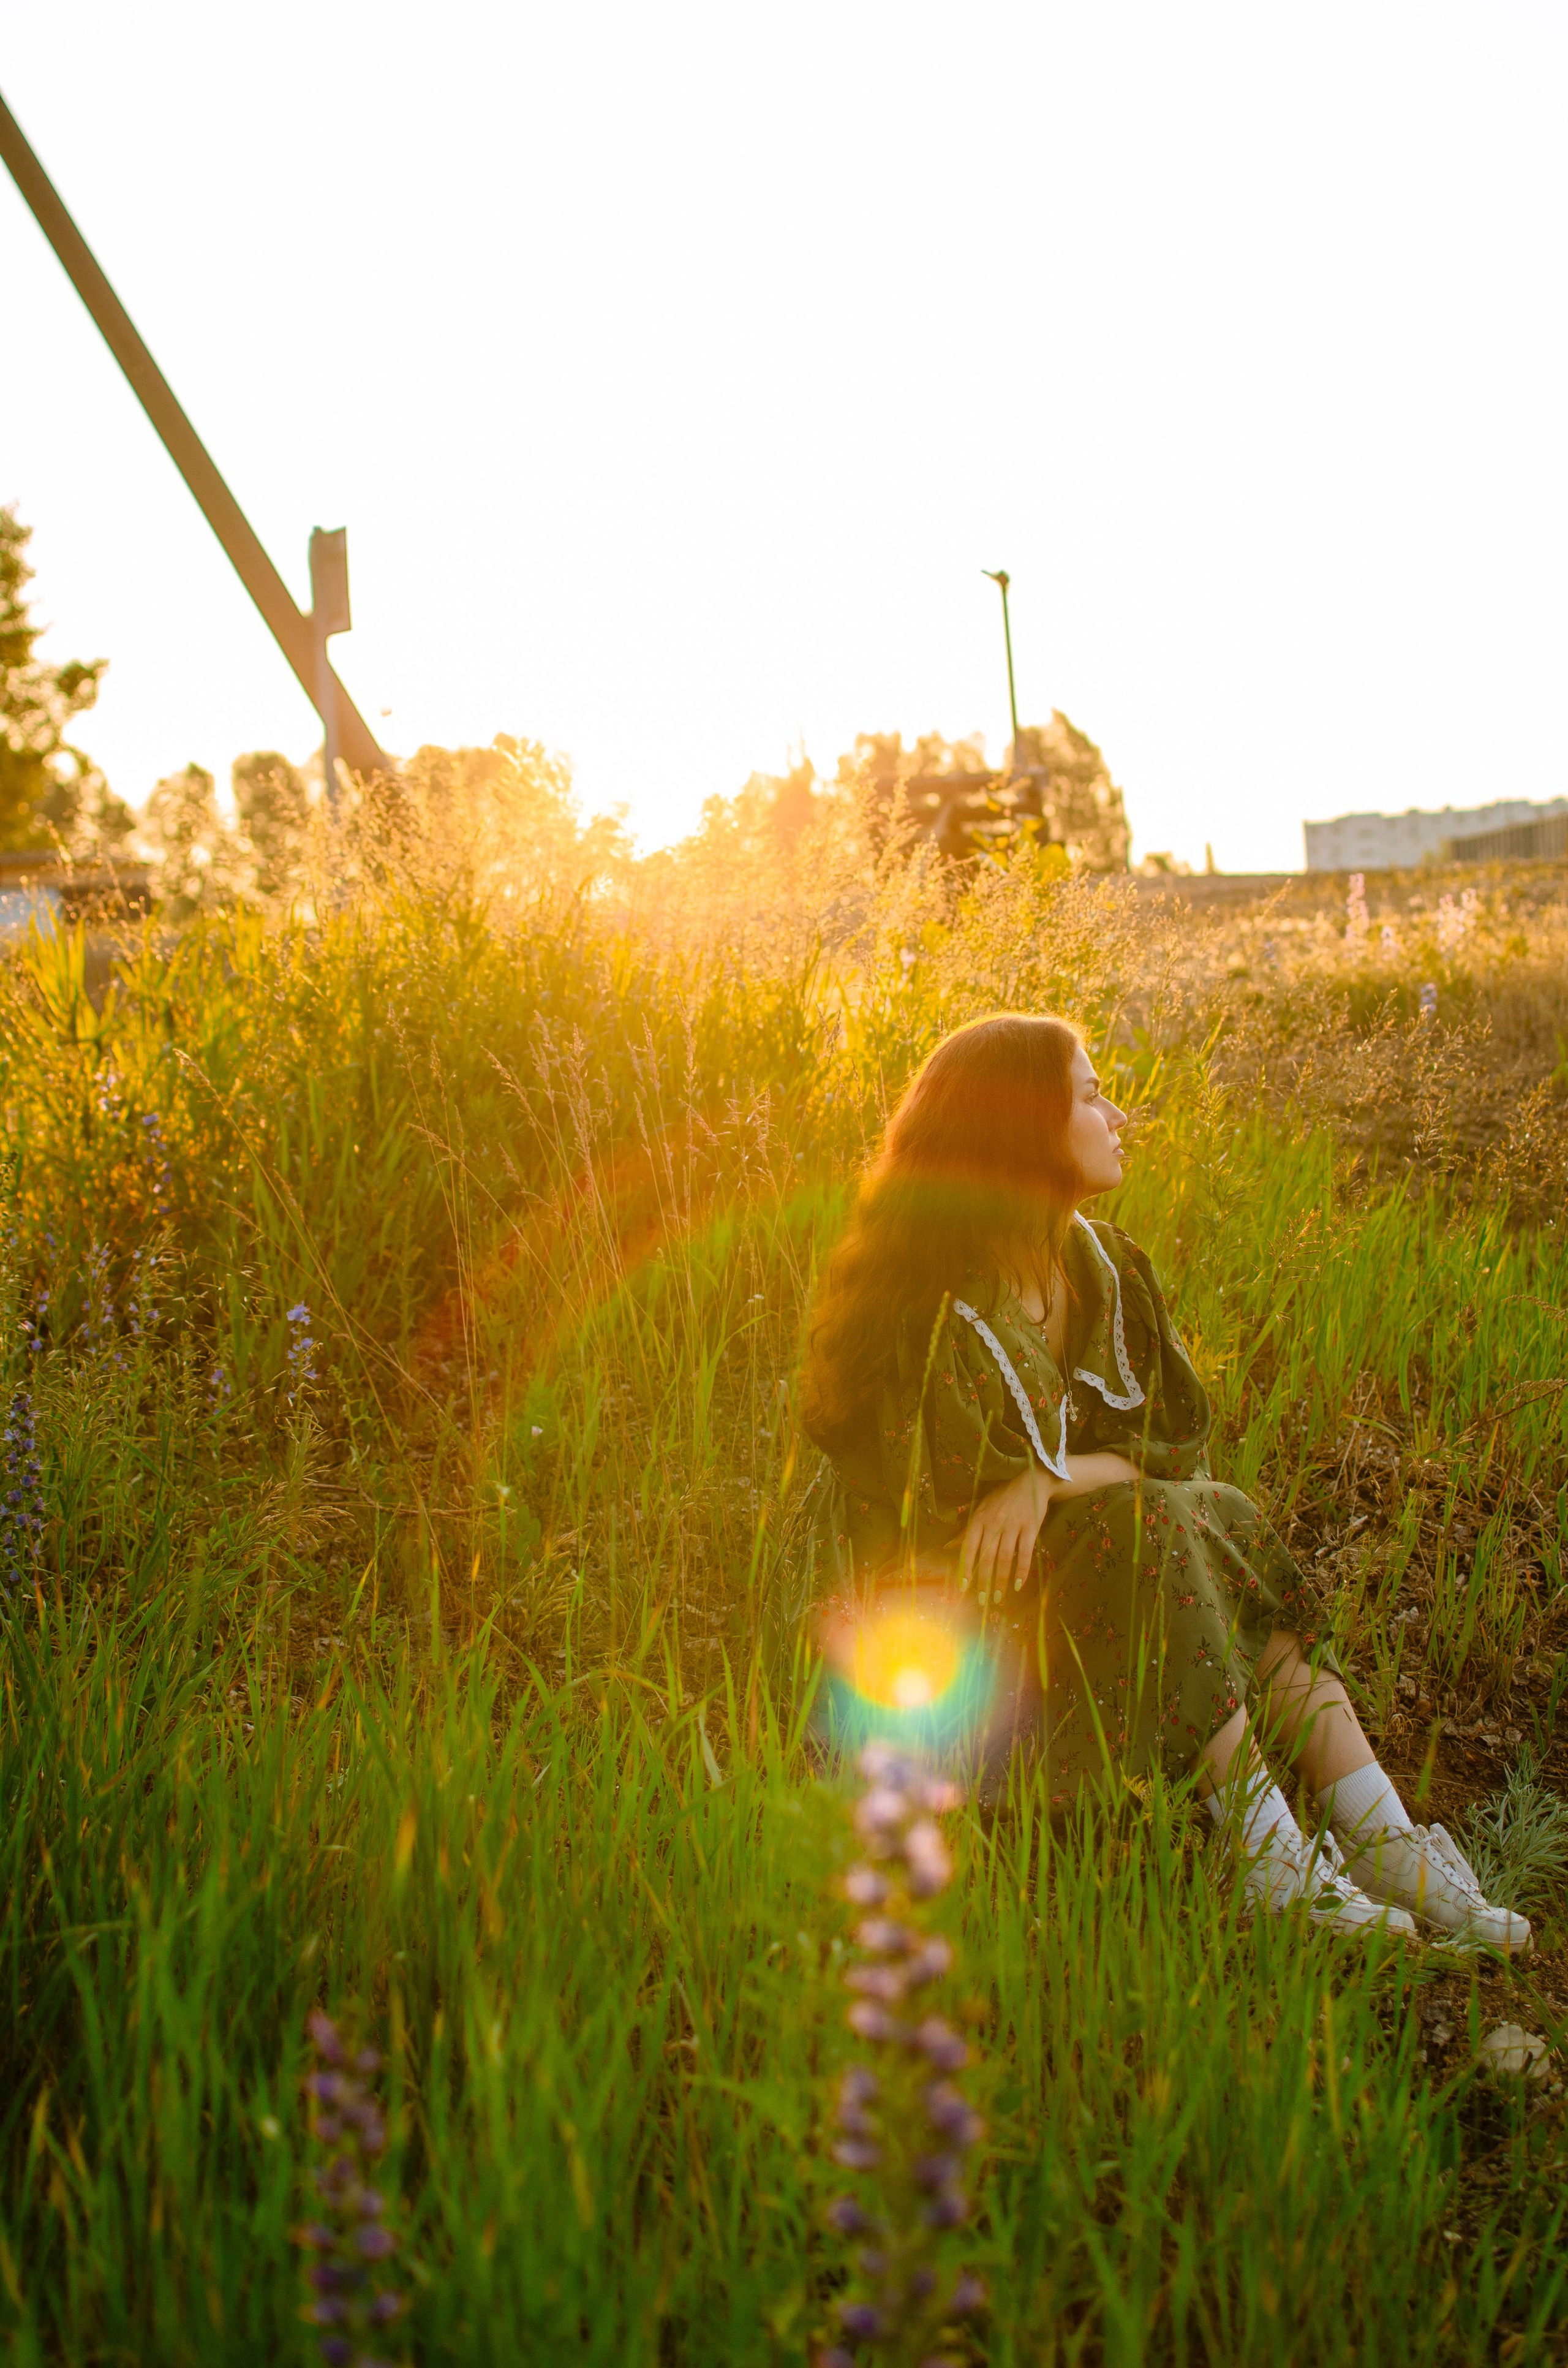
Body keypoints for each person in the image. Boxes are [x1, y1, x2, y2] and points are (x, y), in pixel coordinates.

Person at [800, 1012, 1528, 1950]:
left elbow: (1173, 1446)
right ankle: (1270, 1860)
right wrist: (1043, 1491)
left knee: (1203, 1510)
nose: (1118, 1114)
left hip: (1094, 1576)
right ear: (1024, 1126)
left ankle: (1385, 1838)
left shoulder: (1104, 1268)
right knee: (1146, 1524)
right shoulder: (937, 1314)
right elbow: (949, 1518)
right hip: (961, 1638)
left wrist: (1045, 1482)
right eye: (1093, 1094)